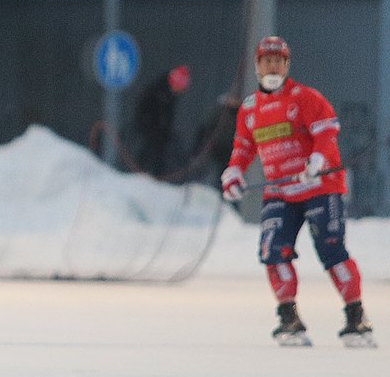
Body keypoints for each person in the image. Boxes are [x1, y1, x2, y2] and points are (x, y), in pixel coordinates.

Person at [221, 37, 374, 348]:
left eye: (279, 60)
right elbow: (244, 147)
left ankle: (356, 317)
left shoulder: (306, 98)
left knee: (331, 251)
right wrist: (234, 172)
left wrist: (317, 162)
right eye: (267, 60)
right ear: (257, 66)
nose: (273, 66)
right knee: (272, 252)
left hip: (319, 188)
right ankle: (289, 317)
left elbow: (327, 135)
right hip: (279, 192)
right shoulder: (249, 108)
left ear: (287, 65)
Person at [133, 64, 190, 177]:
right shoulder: (158, 91)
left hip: (158, 131)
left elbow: (167, 115)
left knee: (158, 155)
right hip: (149, 128)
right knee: (149, 153)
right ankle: (142, 174)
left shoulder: (167, 93)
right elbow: (146, 110)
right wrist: (152, 127)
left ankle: (153, 176)